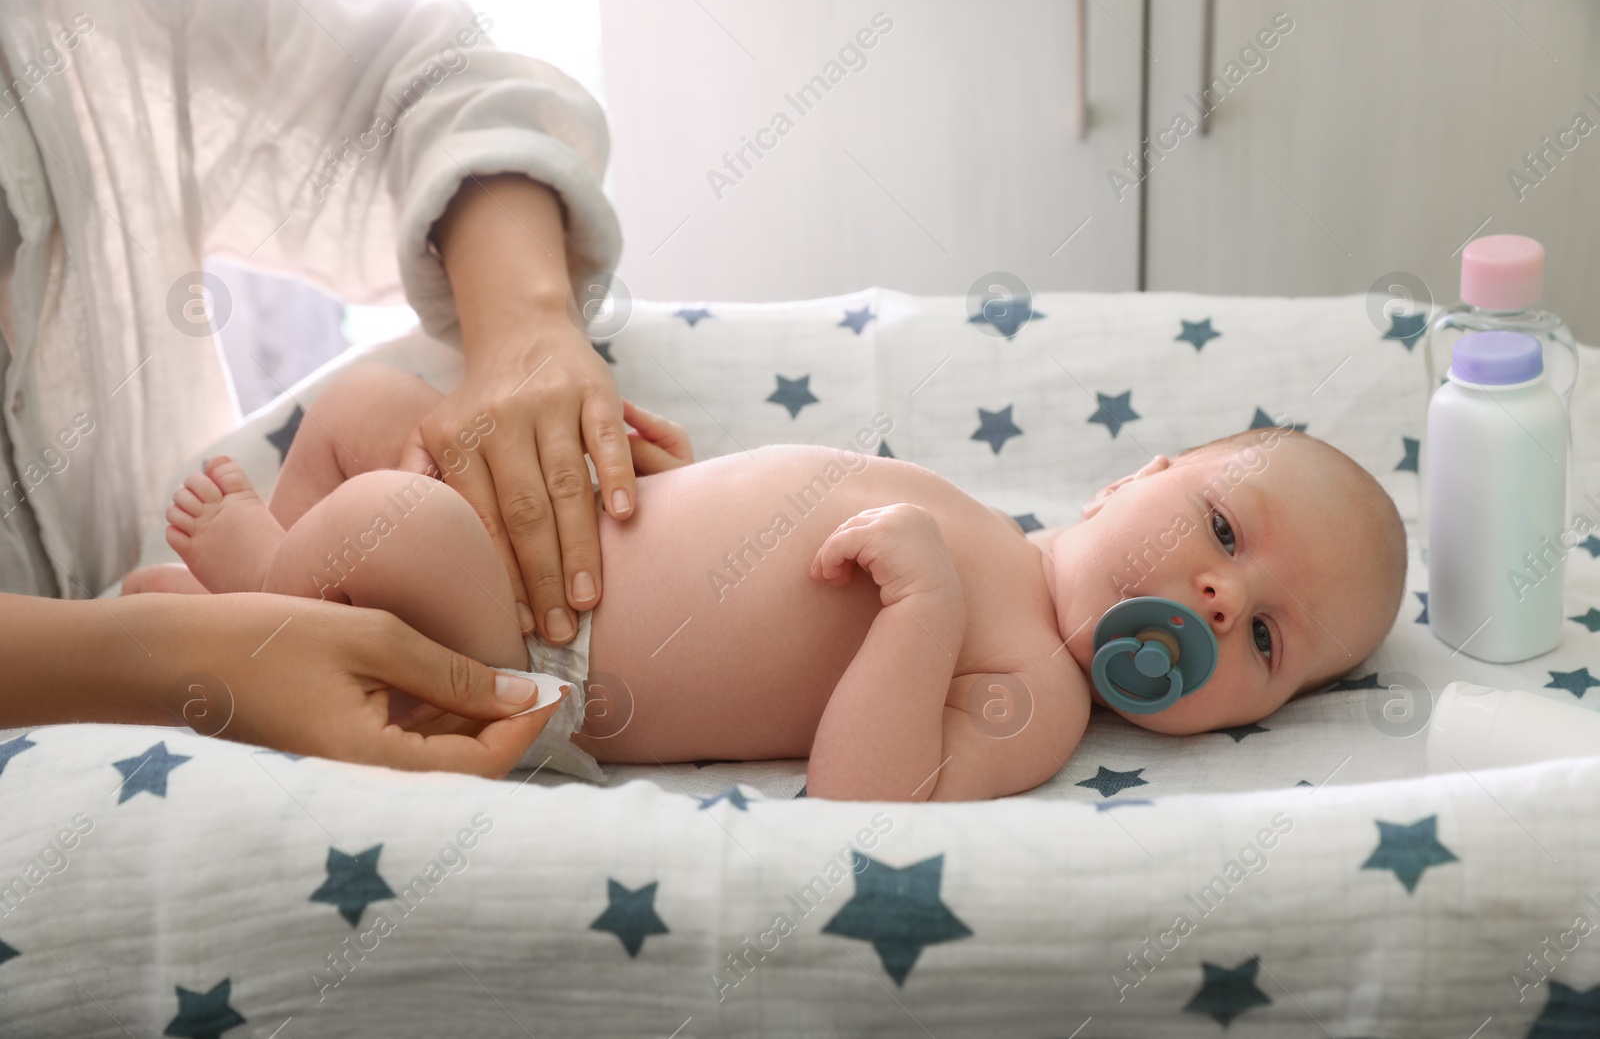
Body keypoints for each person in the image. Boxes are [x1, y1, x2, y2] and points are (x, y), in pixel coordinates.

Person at [153, 361, 1410, 800]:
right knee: (376, 404)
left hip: (541, 665)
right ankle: (275, 606)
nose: (1214, 602)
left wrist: (919, 609)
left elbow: (868, 792)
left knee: (400, 523)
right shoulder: (988, 521)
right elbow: (765, 527)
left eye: (1263, 642)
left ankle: (258, 590)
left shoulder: (1040, 691)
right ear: (1133, 475)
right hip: (560, 550)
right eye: (1225, 535)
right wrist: (668, 494)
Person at [0, 0, 636, 775]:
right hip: (475, 635)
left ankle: (266, 587)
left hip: (438, 601)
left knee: (373, 416)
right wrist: (186, 653)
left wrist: (528, 323)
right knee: (394, 507)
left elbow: (437, 72)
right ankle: (267, 582)